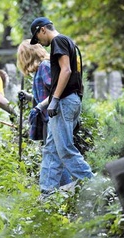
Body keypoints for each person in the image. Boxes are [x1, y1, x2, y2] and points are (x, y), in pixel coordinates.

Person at [29, 17, 93, 194]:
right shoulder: (70, 42)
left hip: (64, 102)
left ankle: (96, 186)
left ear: (43, 30)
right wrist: (43, 104)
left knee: (65, 149)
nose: (40, 43)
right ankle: (47, 193)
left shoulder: (58, 41)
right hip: (70, 100)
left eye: (38, 38)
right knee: (51, 149)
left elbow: (66, 71)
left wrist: (55, 100)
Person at [17, 39, 72, 187]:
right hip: (48, 118)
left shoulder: (45, 67)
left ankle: (65, 190)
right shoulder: (40, 69)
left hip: (54, 117)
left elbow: (56, 92)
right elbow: (43, 96)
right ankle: (62, 192)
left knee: (56, 156)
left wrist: (38, 107)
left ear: (26, 56)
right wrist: (28, 97)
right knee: (54, 155)